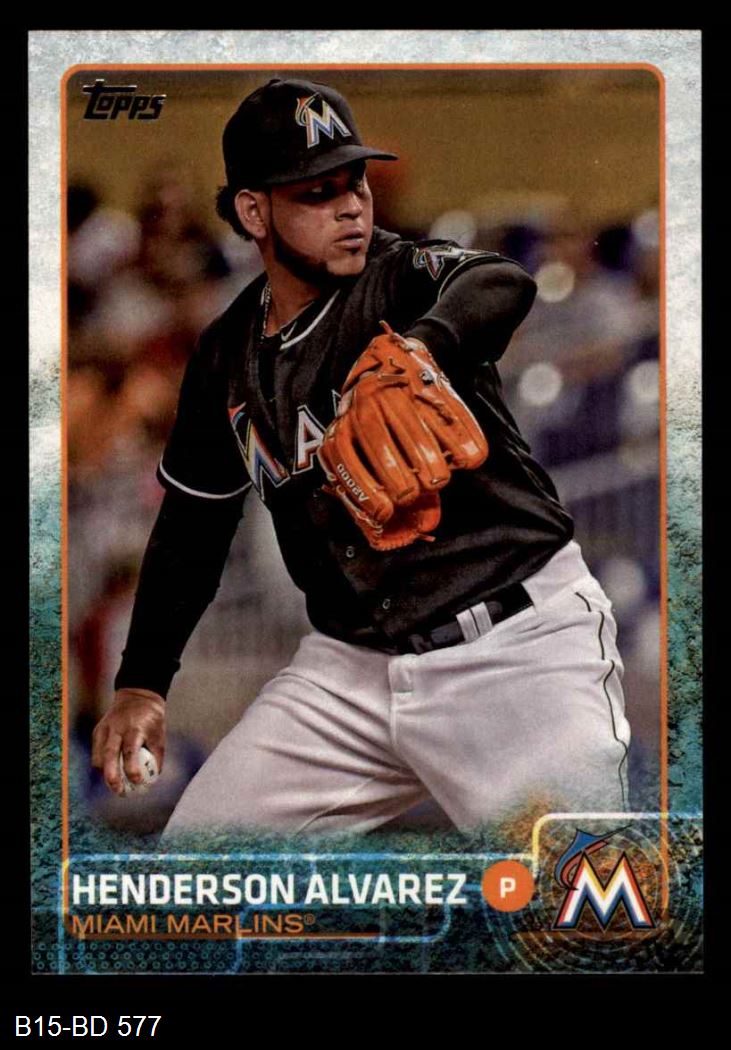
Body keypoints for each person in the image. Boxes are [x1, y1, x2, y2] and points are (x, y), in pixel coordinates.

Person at [91, 78, 631, 837]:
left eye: (356, 183)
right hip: (348, 673)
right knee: (197, 879)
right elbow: (192, 526)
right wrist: (143, 682)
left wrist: (423, 348)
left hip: (516, 648)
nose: (350, 206)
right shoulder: (224, 355)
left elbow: (496, 280)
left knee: (585, 896)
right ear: (254, 211)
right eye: (317, 191)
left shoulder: (397, 277)